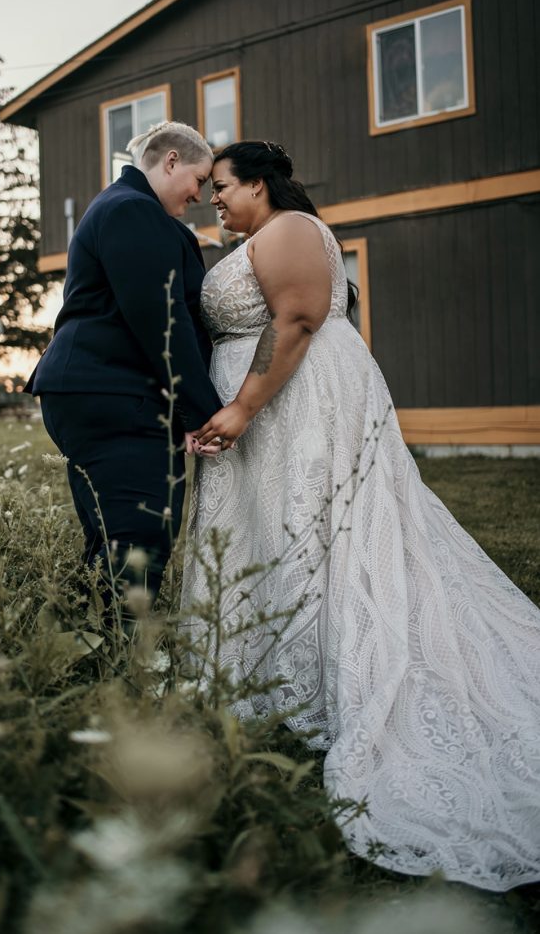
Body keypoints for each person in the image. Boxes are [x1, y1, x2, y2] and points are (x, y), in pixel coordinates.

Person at [181, 140, 540, 890]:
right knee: (291, 530)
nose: (215, 198)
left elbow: (301, 319)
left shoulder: (287, 230)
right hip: (283, 407)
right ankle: (280, 669)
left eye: (222, 186)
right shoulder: (263, 235)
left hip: (302, 402)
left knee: (325, 529)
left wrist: (243, 405)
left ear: (259, 184)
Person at [26, 122, 220, 599]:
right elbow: (162, 321)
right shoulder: (133, 210)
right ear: (171, 161)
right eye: (198, 179)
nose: (199, 195)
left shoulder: (121, 206)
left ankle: (98, 650)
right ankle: (124, 658)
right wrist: (201, 412)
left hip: (99, 392)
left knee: (114, 538)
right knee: (140, 539)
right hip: (114, 395)